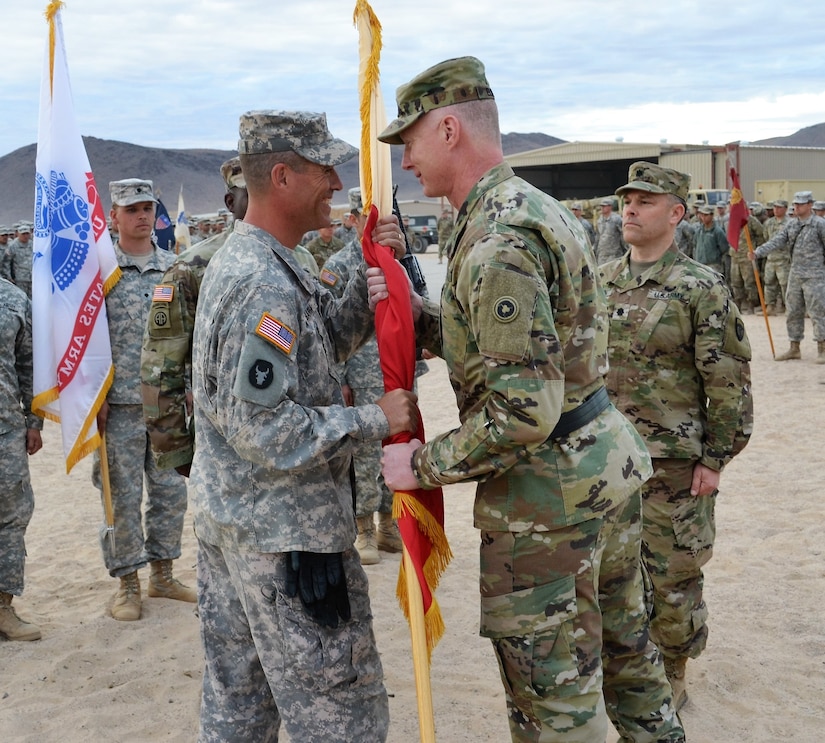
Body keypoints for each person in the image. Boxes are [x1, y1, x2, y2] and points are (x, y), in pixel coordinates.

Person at [375, 57, 684, 742]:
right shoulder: (530, 208)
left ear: (449, 128)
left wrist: (422, 464)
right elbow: (532, 344)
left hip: (548, 501)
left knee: (555, 708)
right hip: (599, 467)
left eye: (410, 143)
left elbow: (521, 409)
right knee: (631, 666)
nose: (405, 164)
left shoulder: (495, 238)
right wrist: (408, 306)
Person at [190, 110, 418, 742]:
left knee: (241, 712)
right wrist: (375, 417)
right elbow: (266, 432)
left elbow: (310, 358)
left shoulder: (266, 262)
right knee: (343, 716)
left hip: (241, 528)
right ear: (283, 176)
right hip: (287, 543)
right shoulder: (262, 282)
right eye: (325, 169)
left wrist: (362, 268)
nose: (338, 182)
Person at [599, 161, 753, 711]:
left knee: (672, 576)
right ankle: (625, 665)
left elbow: (729, 382)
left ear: (676, 213)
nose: (630, 210)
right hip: (608, 462)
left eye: (644, 201)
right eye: (626, 201)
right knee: (611, 574)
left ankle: (673, 670)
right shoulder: (604, 279)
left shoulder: (699, 286)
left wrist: (715, 459)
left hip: (672, 465)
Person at [96, 178, 195, 622]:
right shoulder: (100, 272)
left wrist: (190, 384)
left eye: (146, 208)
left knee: (170, 493)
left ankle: (163, 572)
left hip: (165, 404)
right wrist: (90, 399)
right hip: (116, 406)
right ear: (113, 216)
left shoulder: (173, 267)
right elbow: (84, 341)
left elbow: (187, 332)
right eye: (131, 209)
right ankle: (127, 582)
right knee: (121, 497)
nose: (141, 216)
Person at [142, 158, 248, 476]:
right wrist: (175, 447)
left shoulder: (299, 258)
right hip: (225, 444)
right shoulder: (193, 266)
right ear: (230, 201)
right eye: (250, 192)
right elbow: (161, 365)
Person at [320, 187, 403, 565]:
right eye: (363, 216)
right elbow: (331, 330)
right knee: (365, 455)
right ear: (354, 219)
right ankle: (364, 526)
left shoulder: (397, 257)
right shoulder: (338, 265)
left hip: (395, 371)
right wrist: (342, 380)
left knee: (397, 446)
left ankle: (389, 524)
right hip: (363, 372)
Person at [0, 276, 44, 641]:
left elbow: (29, 365)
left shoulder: (13, 299)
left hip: (5, 430)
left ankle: (2, 606)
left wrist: (34, 421)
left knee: (12, 516)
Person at [752, 190, 825, 362]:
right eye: (795, 204)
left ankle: (822, 348)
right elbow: (777, 240)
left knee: (817, 312)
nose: (796, 207)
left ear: (809, 205)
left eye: (800, 204)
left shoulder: (819, 224)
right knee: (793, 310)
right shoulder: (792, 225)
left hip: (815, 275)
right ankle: (794, 347)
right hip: (795, 273)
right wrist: (757, 252)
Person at [729, 207, 765, 313]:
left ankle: (751, 304)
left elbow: (761, 235)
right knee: (735, 282)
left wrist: (755, 250)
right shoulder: (732, 221)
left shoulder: (751, 220)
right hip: (735, 256)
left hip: (747, 256)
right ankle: (738, 304)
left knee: (750, 282)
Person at [761, 198, 790, 315]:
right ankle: (770, 306)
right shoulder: (768, 223)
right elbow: (765, 237)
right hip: (771, 258)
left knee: (785, 284)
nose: (776, 210)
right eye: (775, 207)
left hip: (783, 259)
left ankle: (788, 307)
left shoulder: (790, 223)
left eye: (779, 207)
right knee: (769, 283)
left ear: (785, 209)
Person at [1, 222, 33, 298]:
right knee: (22, 297)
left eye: (27, 234)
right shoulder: (13, 246)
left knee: (33, 298)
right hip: (20, 278)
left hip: (32, 277)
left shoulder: (33, 244)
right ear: (18, 234)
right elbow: (6, 263)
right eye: (23, 234)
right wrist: (9, 277)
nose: (25, 236)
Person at [693, 204, 728, 274]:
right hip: (700, 265)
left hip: (714, 266)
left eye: (706, 215)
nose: (703, 217)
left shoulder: (717, 231)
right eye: (702, 215)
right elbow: (695, 245)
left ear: (712, 215)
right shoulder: (699, 231)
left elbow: (724, 249)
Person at [593, 196, 625, 264]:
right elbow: (598, 237)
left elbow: (623, 236)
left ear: (610, 207)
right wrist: (595, 251)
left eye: (604, 206)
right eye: (601, 206)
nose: (602, 208)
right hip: (602, 254)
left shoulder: (617, 219)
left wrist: (626, 251)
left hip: (614, 254)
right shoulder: (600, 221)